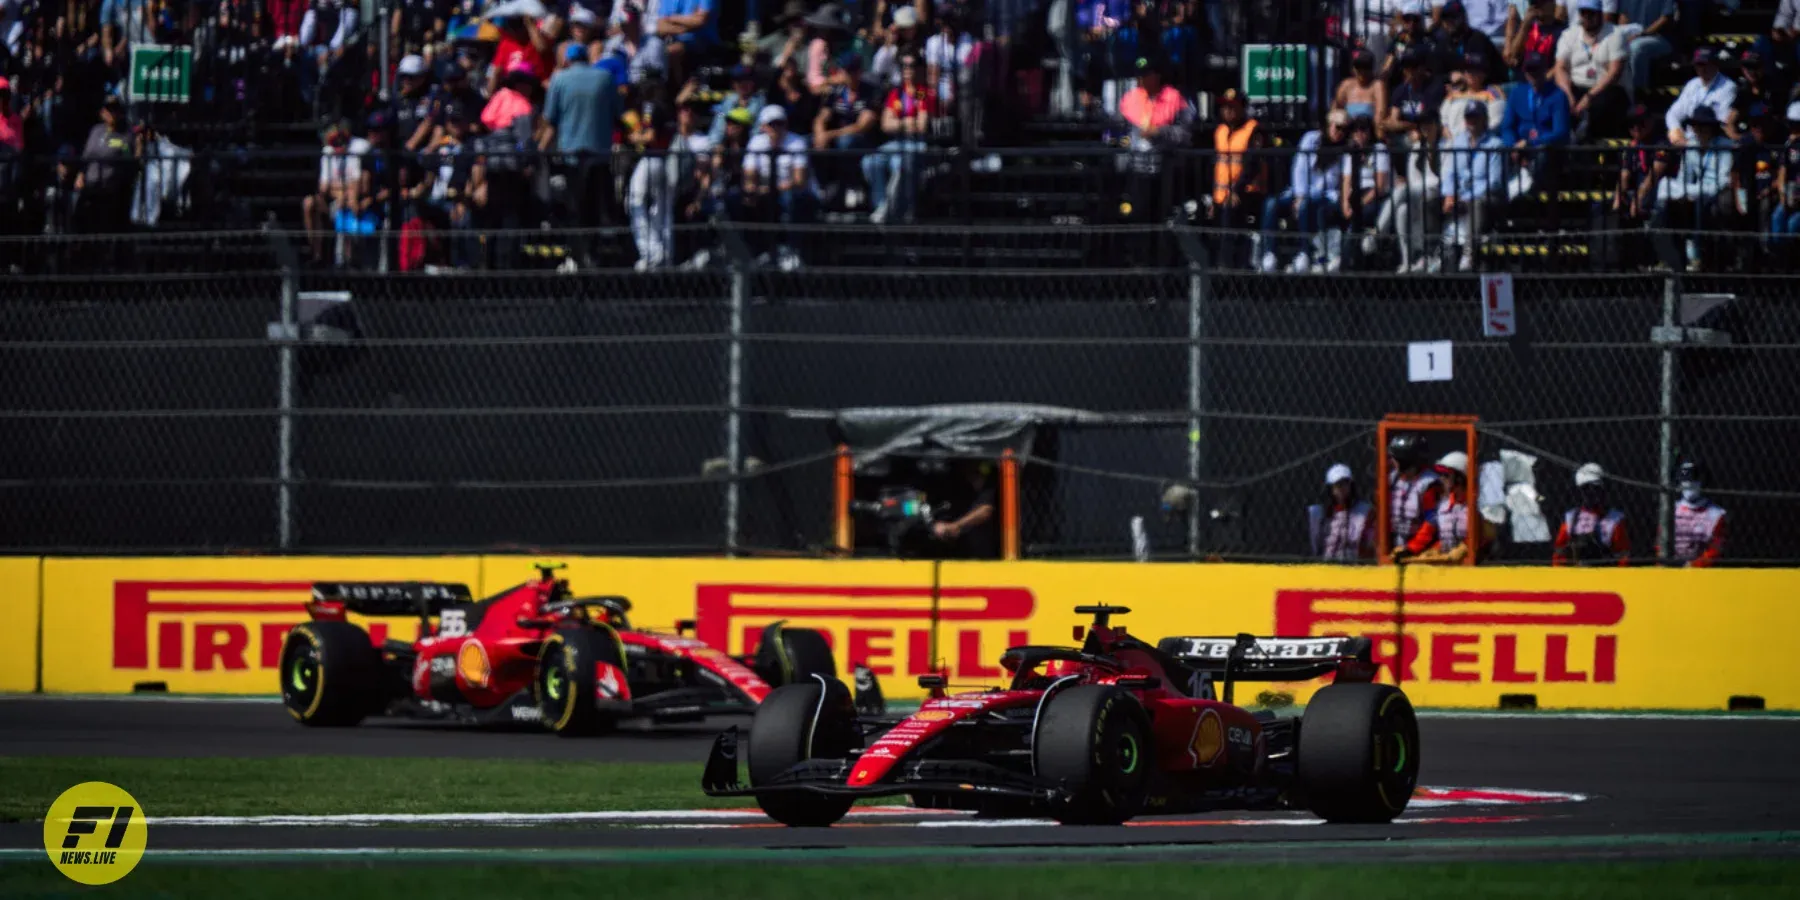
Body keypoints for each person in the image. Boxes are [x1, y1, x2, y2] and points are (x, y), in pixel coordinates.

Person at [543, 43, 620, 249]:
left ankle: (580, 254)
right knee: (601, 207)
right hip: (600, 155)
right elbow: (618, 114)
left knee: (577, 209)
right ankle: (600, 253)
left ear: (567, 60)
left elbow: (550, 120)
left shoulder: (559, 79)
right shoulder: (605, 78)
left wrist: (540, 149)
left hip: (572, 157)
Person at [1256, 110, 1349, 273]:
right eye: (1337, 127)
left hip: (1325, 196)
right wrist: (1299, 195)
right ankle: (1268, 254)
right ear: (1328, 125)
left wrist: (1304, 199)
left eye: (1344, 129)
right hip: (1300, 191)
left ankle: (1304, 253)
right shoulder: (1311, 139)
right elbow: (1299, 168)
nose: (1340, 132)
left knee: (1306, 205)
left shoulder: (1345, 151)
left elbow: (1338, 184)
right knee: (1271, 203)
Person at [1652, 106, 1734, 272]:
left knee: (1696, 204)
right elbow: (1684, 177)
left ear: (1712, 128)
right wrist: (1683, 193)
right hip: (1695, 191)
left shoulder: (1725, 146)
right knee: (1667, 202)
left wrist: (1690, 191)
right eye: (1696, 126)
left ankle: (1696, 256)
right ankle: (1672, 260)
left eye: (1704, 126)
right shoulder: (1692, 146)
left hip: (1716, 193)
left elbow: (1722, 182)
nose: (1699, 130)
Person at [862, 53, 939, 225]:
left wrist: (899, 123)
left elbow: (921, 125)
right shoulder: (896, 93)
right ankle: (881, 205)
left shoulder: (920, 92)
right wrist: (905, 123)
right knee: (871, 161)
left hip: (915, 143)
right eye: (904, 66)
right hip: (897, 142)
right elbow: (885, 124)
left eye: (911, 66)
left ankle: (895, 210)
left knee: (899, 163)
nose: (907, 70)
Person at [739, 104, 817, 269]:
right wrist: (753, 189)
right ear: (763, 127)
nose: (776, 128)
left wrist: (770, 190)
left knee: (790, 199)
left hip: (794, 191)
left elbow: (799, 180)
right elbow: (749, 176)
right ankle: (751, 253)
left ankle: (792, 251)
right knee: (738, 198)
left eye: (779, 123)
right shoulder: (756, 142)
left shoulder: (797, 142)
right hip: (766, 190)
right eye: (771, 124)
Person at [1441, 99, 1506, 271]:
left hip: (1488, 197)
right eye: (1469, 118)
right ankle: (1431, 253)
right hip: (1462, 195)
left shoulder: (1495, 144)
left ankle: (1469, 254)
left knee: (1477, 203)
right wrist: (1449, 194)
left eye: (1476, 118)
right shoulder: (1459, 142)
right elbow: (1450, 172)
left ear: (1485, 119)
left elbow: (1494, 181)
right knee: (1430, 199)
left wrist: (1465, 198)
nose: (1472, 122)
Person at [1500, 52, 1571, 208]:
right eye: (1529, 70)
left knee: (1543, 155)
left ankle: (1526, 193)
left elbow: (1560, 131)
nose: (1533, 74)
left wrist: (1531, 143)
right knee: (1498, 152)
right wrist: (1513, 146)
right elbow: (1507, 126)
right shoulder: (1517, 92)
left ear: (1545, 70)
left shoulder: (1558, 95)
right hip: (1519, 148)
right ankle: (1503, 202)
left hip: (1545, 149)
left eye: (1537, 69)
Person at [1395, 451, 1493, 563]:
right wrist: (1410, 549)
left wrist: (1466, 547)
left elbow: (1485, 536)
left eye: (1446, 475)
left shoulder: (1476, 506)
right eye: (1441, 474)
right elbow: (1428, 531)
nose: (1441, 478)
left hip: (1475, 569)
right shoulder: (1442, 507)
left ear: (1459, 479)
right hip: (1448, 568)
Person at [1209, 88, 1266, 269]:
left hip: (1246, 193)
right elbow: (1217, 166)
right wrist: (1213, 197)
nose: (1228, 111)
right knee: (1214, 232)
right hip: (1221, 194)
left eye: (1232, 107)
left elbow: (1252, 165)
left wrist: (1236, 190)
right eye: (1225, 107)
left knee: (1233, 234)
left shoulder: (1253, 129)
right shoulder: (1220, 130)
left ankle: (1231, 272)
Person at [1554, 0, 1629, 140]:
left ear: (1600, 13)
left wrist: (1589, 96)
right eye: (1584, 13)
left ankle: (1595, 147)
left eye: (1591, 13)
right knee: (1558, 100)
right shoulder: (1569, 35)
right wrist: (1568, 94)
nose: (1587, 17)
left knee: (1603, 103)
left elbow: (1614, 72)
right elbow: (1560, 67)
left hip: (1606, 89)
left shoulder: (1615, 34)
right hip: (1576, 86)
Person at [1393, 109, 1447, 271]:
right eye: (1422, 126)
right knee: (1402, 209)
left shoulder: (1445, 147)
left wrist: (1431, 148)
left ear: (1437, 126)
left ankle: (1377, 231)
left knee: (1401, 192)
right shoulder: (1416, 148)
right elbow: (1413, 179)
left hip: (1435, 190)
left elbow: (1442, 178)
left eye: (1429, 125)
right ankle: (1407, 259)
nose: (1425, 129)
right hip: (1418, 191)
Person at [77, 95, 136, 235]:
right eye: (108, 110)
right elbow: (86, 156)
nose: (110, 113)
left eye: (114, 110)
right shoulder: (96, 131)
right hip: (90, 185)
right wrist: (80, 175)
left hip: (109, 188)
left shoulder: (125, 135)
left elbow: (128, 157)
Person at [1552, 463, 1631, 565]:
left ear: (1603, 490)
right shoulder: (1570, 519)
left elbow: (1623, 557)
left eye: (1595, 488)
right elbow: (1559, 554)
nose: (1590, 493)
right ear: (1579, 492)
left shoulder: (1614, 520)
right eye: (1586, 489)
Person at [1340, 115, 1392, 267]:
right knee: (1325, 211)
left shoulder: (1379, 150)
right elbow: (1346, 181)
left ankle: (1347, 263)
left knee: (1356, 218)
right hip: (1354, 194)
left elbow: (1380, 186)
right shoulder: (1351, 152)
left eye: (1363, 130)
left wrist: (1358, 205)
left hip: (1373, 196)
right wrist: (1345, 205)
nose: (1360, 134)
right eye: (1356, 131)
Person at [1665, 48, 1736, 146]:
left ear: (1715, 64)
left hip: (1714, 141)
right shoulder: (1692, 84)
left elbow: (1722, 121)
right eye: (1699, 64)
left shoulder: (1728, 86)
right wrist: (1675, 129)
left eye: (1706, 64)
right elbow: (1673, 113)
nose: (1702, 68)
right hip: (1689, 140)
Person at [1386, 433, 1444, 554]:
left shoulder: (1428, 483)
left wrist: (1412, 547)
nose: (1392, 462)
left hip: (1421, 550)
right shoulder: (1393, 479)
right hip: (1395, 545)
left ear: (1405, 460)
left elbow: (1432, 520)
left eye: (1395, 458)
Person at [929, 459, 999, 559]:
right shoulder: (953, 480)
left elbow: (985, 510)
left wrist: (956, 526)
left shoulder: (990, 480)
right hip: (955, 550)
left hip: (984, 551)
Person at [1308, 463, 1376, 561]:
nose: (1342, 488)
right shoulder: (1319, 513)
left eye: (1345, 483)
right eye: (1338, 484)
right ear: (1330, 488)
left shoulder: (1364, 511)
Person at [1670, 460, 1726, 567]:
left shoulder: (1716, 514)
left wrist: (1694, 565)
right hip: (1671, 566)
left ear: (1702, 482)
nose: (1689, 484)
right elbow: (1660, 543)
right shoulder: (1670, 509)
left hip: (1701, 571)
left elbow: (1715, 549)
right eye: (1685, 480)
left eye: (1693, 480)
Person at [1616, 0, 1675, 100]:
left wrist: (1642, 34)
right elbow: (1623, 16)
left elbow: (1665, 18)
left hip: (1660, 38)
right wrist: (1623, 34)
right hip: (1633, 37)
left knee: (1636, 47)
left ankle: (1638, 96)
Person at [1334, 48, 1389, 136]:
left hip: (1369, 136)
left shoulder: (1377, 85)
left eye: (1365, 67)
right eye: (1358, 66)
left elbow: (1380, 115)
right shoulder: (1346, 85)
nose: (1362, 71)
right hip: (1347, 135)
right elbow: (1335, 110)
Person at [707, 64, 767, 144]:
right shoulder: (728, 100)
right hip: (727, 147)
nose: (743, 84)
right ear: (733, 84)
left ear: (753, 82)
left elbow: (757, 132)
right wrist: (716, 147)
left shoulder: (761, 102)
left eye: (747, 80)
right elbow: (718, 129)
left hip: (752, 148)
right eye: (738, 81)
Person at [1773, 102, 1800, 242]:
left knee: (1792, 225)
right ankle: (1778, 260)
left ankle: (1791, 260)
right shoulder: (1789, 145)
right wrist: (1783, 194)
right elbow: (1782, 170)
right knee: (1777, 218)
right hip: (1790, 194)